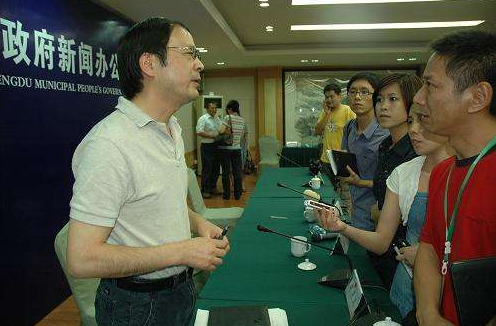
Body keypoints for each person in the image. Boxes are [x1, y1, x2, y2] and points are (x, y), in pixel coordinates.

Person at [66, 17, 230, 326]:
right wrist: (182, 252)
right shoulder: (109, 144)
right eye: (190, 53)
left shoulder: (170, 126)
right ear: (150, 63)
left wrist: (196, 222)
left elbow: (156, 199)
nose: (200, 64)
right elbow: (81, 258)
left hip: (180, 290)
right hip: (137, 306)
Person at [315, 104, 452, 320]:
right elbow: (381, 242)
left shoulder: (471, 174)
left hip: (451, 299)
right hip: (404, 291)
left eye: (423, 120)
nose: (414, 129)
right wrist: (341, 227)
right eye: (410, 122)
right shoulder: (403, 172)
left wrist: (432, 256)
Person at [413, 30, 496, 325]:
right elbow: (430, 248)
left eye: (430, 86)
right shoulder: (442, 173)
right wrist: (427, 313)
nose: (419, 98)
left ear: (478, 97)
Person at [363, 73, 421, 289]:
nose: (383, 107)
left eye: (392, 99)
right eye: (379, 99)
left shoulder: (418, 151)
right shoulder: (386, 144)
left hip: (403, 256)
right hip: (380, 247)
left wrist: (381, 214)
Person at [341, 72, 389, 231]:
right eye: (353, 92)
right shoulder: (349, 127)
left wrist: (362, 183)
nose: (357, 97)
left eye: (364, 92)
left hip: (379, 212)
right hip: (355, 207)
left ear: (376, 97)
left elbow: (395, 182)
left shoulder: (387, 132)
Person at [315, 82, 356, 186]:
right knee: (327, 191)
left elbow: (356, 134)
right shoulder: (325, 112)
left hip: (342, 160)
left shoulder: (348, 111)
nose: (329, 100)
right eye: (326, 97)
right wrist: (327, 114)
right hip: (326, 160)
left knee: (345, 193)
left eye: (332, 96)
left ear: (339, 96)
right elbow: (317, 131)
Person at [218, 100, 247, 200]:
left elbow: (220, 131)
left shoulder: (227, 117)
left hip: (226, 149)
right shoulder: (242, 120)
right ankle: (237, 194)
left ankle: (226, 195)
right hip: (237, 148)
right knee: (237, 172)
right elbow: (242, 135)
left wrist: (223, 129)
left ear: (230, 109)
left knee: (226, 172)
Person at [196, 101, 222, 198]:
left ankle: (213, 187)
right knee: (207, 168)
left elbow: (220, 129)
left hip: (216, 146)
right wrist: (211, 136)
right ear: (207, 109)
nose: (214, 110)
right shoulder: (203, 119)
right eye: (212, 108)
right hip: (207, 146)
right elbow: (199, 132)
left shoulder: (217, 118)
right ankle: (205, 190)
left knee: (216, 168)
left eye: (215, 108)